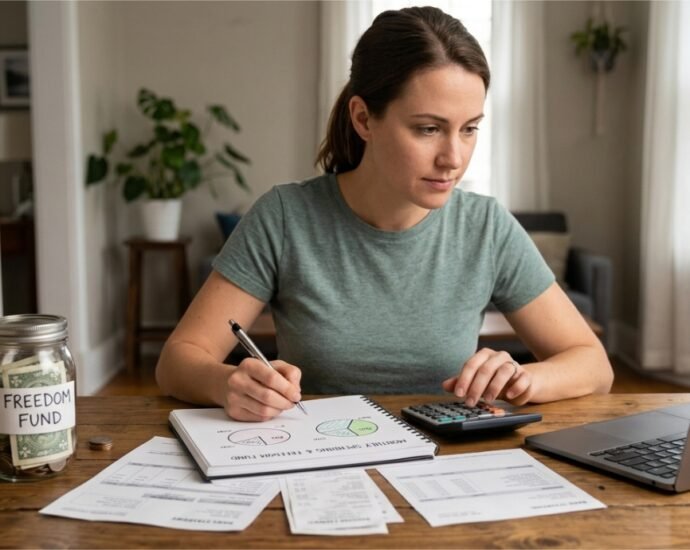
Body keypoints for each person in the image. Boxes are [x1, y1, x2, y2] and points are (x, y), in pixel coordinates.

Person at [156, 6, 613, 421]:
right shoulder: (284, 216)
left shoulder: (486, 227)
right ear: (363, 119)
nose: (453, 157)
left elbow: (592, 364)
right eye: (429, 129)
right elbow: (178, 360)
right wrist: (227, 383)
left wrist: (524, 379)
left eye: (470, 129)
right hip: (319, 458)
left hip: (446, 469)